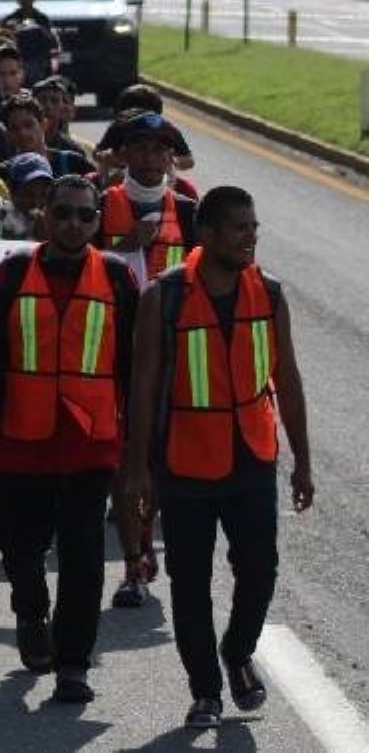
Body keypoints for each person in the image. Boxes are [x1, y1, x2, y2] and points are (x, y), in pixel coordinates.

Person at [124, 186, 314, 730]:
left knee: (260, 569)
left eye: (254, 226)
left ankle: (238, 650)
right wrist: (137, 469)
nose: (251, 236)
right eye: (239, 227)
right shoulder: (165, 297)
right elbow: (142, 388)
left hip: (253, 454)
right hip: (185, 459)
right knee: (189, 581)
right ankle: (205, 689)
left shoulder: (271, 293)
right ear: (206, 235)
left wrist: (301, 459)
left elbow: (289, 379)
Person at [0, 175, 140, 702]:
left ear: (98, 223)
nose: (73, 224)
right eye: (64, 213)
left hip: (89, 443)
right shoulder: (13, 274)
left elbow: (133, 363)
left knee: (83, 555)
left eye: (85, 216)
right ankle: (30, 609)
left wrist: (138, 436)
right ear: (45, 216)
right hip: (19, 440)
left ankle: (74, 663)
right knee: (21, 548)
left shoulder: (116, 278)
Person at [97, 110, 199, 608]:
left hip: (172, 350)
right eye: (140, 148)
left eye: (160, 149)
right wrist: (121, 246)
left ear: (170, 156)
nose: (150, 157)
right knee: (124, 456)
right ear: (123, 154)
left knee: (160, 458)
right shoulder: (100, 204)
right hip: (114, 348)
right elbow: (78, 267)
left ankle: (149, 527)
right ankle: (133, 561)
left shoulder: (188, 209)